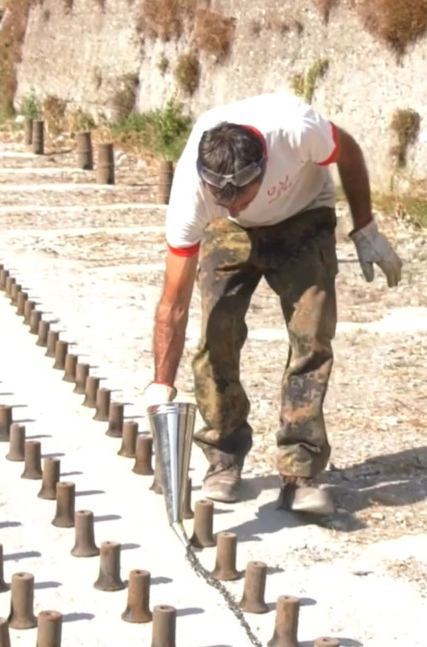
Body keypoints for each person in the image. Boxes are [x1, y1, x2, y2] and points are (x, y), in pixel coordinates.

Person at [144, 93, 404, 518]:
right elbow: (173, 304)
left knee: (311, 336)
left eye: (242, 194)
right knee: (216, 334)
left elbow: (350, 152)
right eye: (221, 196)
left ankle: (300, 472)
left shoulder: (297, 130)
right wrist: (161, 385)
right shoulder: (196, 194)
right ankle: (223, 456)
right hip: (230, 232)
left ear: (264, 165)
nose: (232, 202)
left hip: (304, 213)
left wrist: (365, 228)